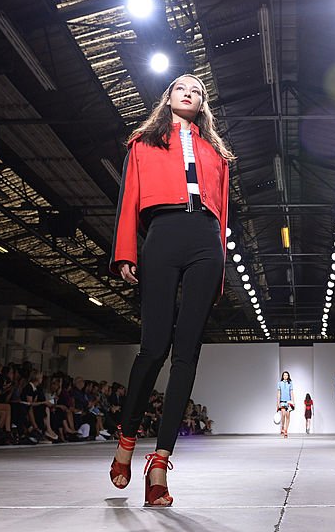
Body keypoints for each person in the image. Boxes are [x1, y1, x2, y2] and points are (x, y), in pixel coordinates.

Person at [108, 73, 232, 507]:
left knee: (187, 354)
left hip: (205, 241)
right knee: (153, 348)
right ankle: (126, 441)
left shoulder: (216, 153)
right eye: (183, 87)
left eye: (197, 91)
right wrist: (126, 250)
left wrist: (218, 272)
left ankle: (159, 464)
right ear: (169, 96)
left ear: (202, 104)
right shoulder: (142, 143)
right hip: (162, 234)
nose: (190, 93)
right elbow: (129, 199)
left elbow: (224, 216)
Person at [276, 371, 294, 438]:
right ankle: (283, 427)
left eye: (286, 375)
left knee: (288, 416)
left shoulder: (290, 383)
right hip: (282, 401)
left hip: (288, 401)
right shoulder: (279, 383)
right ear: (282, 376)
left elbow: (291, 393)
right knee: (283, 414)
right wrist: (277, 403)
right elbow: (278, 393)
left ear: (288, 376)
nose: (285, 376)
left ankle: (286, 430)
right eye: (284, 375)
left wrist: (293, 402)